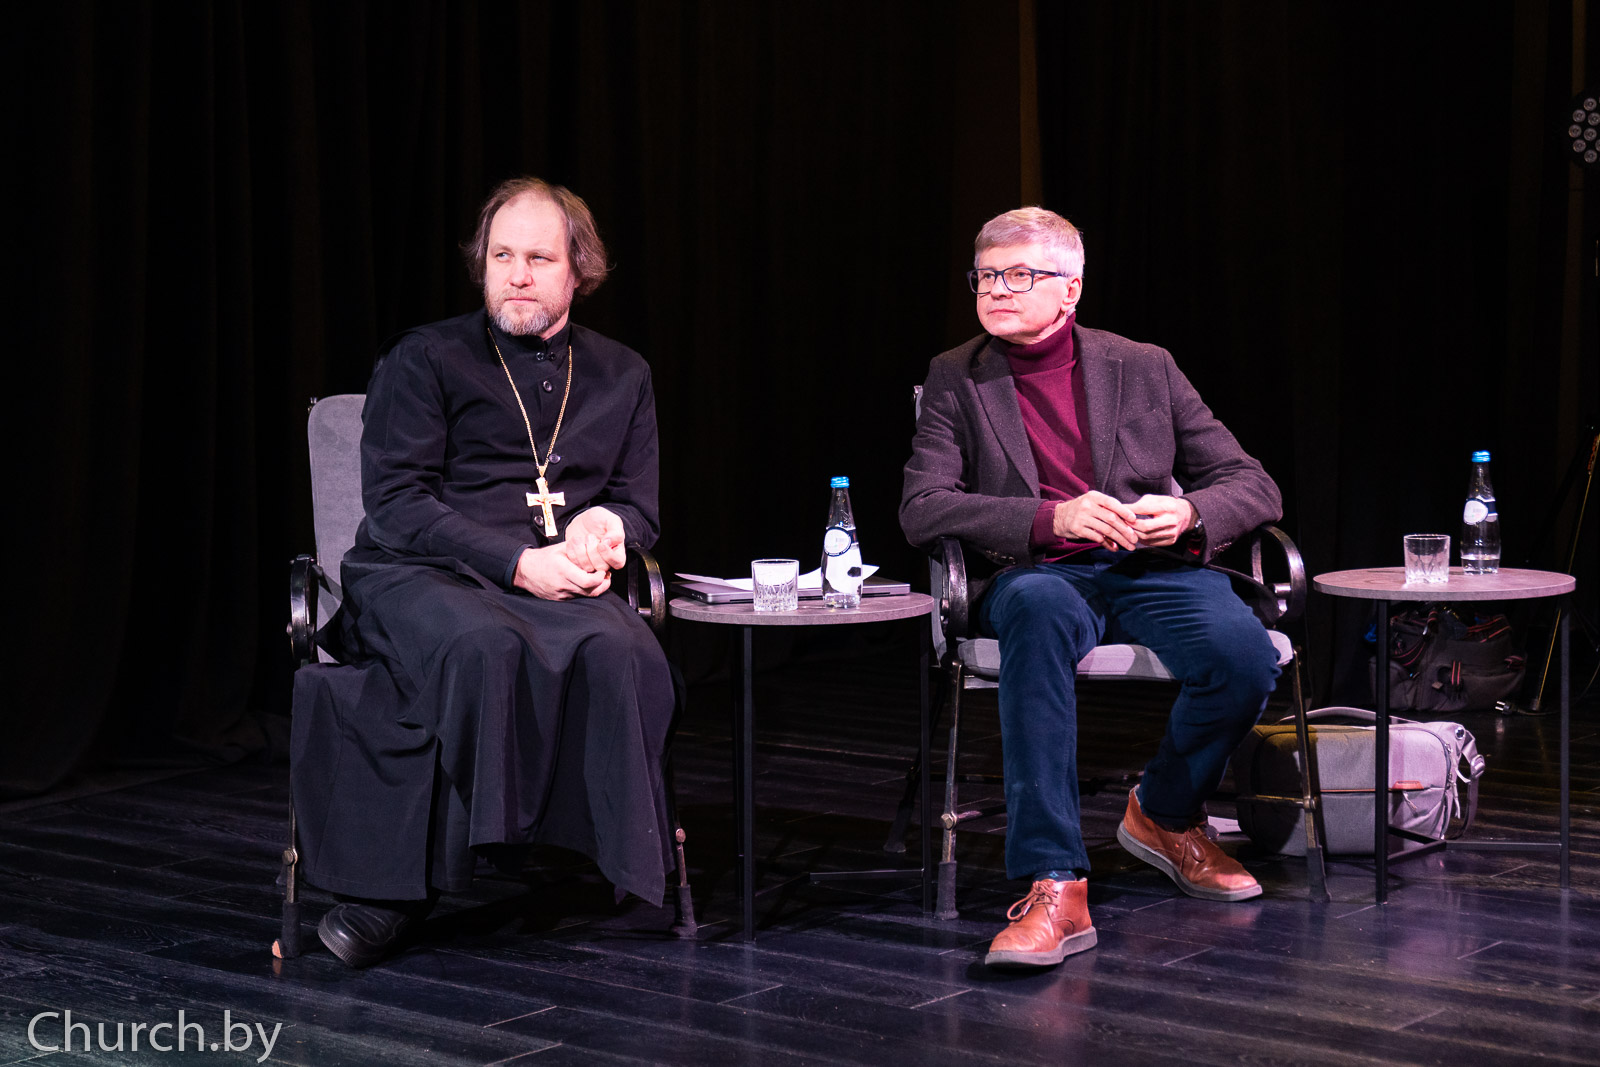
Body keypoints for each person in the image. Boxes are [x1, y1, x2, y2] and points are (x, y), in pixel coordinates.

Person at [291, 176, 675, 968]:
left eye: (539, 258)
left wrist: (606, 526)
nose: (517, 275)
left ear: (579, 271)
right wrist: (518, 564)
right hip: (420, 569)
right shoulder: (425, 357)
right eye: (502, 256)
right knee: (480, 647)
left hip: (554, 572)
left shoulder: (622, 373)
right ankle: (406, 888)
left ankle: (624, 866)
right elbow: (396, 504)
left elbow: (638, 505)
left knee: (626, 649)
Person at [900, 207, 1283, 968]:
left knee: (1245, 659)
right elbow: (923, 506)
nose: (996, 290)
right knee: (1038, 613)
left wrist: (1190, 512)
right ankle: (1054, 882)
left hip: (1149, 566)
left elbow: (1251, 482)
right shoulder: (956, 375)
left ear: (1070, 289)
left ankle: (1165, 812)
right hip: (1039, 572)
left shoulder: (1143, 365)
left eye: (1019, 275)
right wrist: (1049, 517)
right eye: (986, 275)